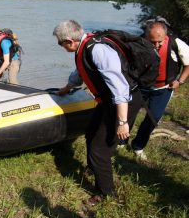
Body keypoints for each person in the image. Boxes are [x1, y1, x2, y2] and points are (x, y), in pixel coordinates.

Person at [53, 20, 142, 202]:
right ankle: (96, 168)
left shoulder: (98, 50)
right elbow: (81, 71)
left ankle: (106, 193)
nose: (61, 47)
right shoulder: (85, 47)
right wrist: (67, 88)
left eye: (60, 44)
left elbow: (119, 87)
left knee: (99, 149)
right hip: (108, 101)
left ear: (70, 41)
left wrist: (122, 122)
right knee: (91, 132)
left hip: (123, 102)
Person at [122, 18, 189, 160]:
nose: (157, 45)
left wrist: (180, 81)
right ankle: (121, 142)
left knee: (154, 118)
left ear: (166, 36)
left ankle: (138, 146)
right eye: (153, 42)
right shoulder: (135, 43)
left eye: (160, 41)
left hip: (163, 88)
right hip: (139, 87)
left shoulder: (175, 43)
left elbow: (188, 63)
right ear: (146, 36)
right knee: (128, 115)